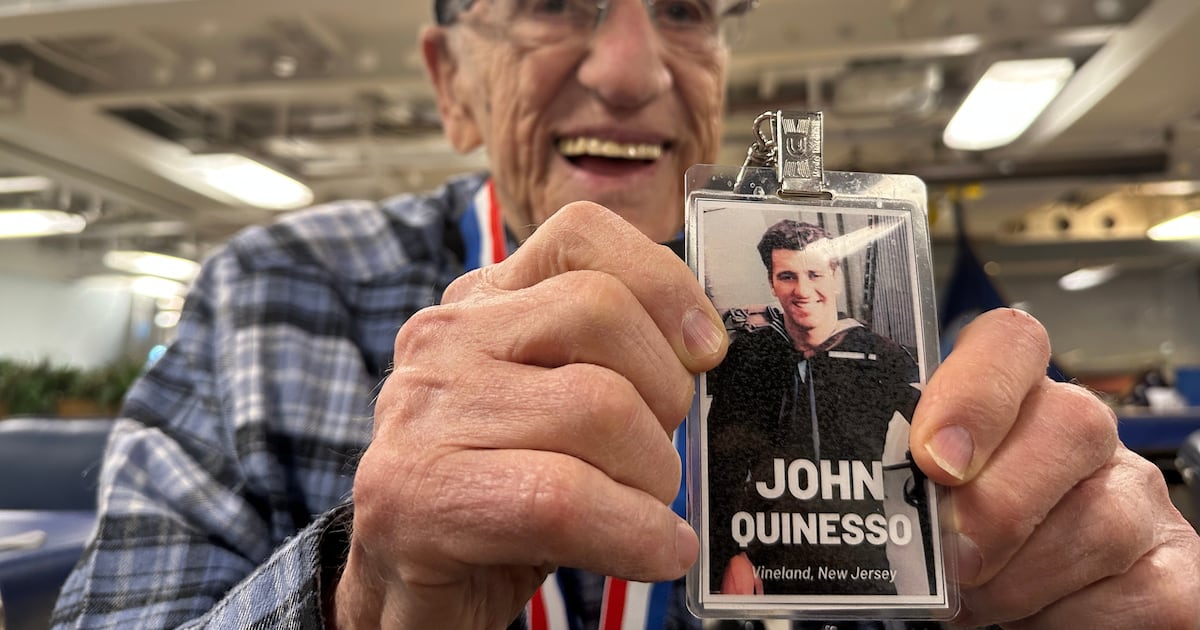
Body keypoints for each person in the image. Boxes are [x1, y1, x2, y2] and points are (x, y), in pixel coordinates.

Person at [51, 0, 1199, 628]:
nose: (631, 67)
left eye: (689, 7)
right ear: (450, 80)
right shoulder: (267, 299)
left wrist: (1075, 576)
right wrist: (353, 607)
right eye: (555, 0)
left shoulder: (854, 322)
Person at [707, 219, 930, 597]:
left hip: (861, 570)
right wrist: (729, 555)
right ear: (772, 283)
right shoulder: (749, 359)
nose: (803, 290)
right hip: (765, 569)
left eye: (814, 274)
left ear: (834, 274)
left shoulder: (880, 356)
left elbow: (935, 448)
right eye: (788, 276)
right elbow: (717, 468)